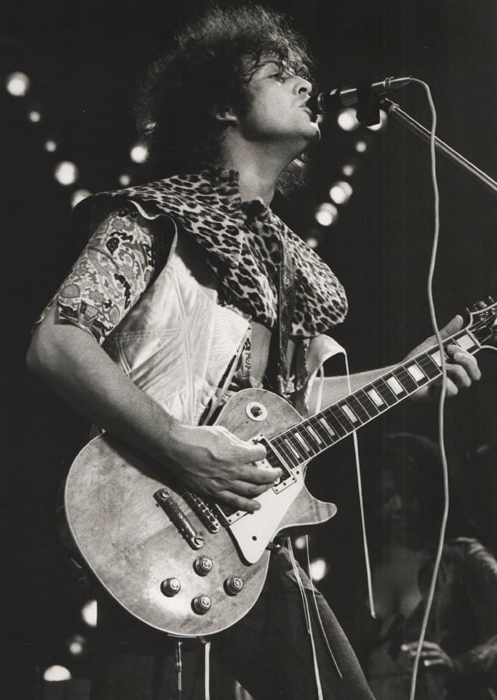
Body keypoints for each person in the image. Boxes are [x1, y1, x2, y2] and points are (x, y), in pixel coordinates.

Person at [26, 4, 481, 699]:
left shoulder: (289, 265)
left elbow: (292, 411)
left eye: (303, 74)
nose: (305, 85)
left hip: (247, 540)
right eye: (278, 73)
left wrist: (409, 373)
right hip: (148, 522)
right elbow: (57, 344)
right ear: (219, 107)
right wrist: (181, 446)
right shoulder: (152, 218)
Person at [352, 433, 497, 700]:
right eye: (385, 497)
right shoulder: (361, 568)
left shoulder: (463, 556)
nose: (399, 506)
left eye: (409, 494)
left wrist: (459, 665)